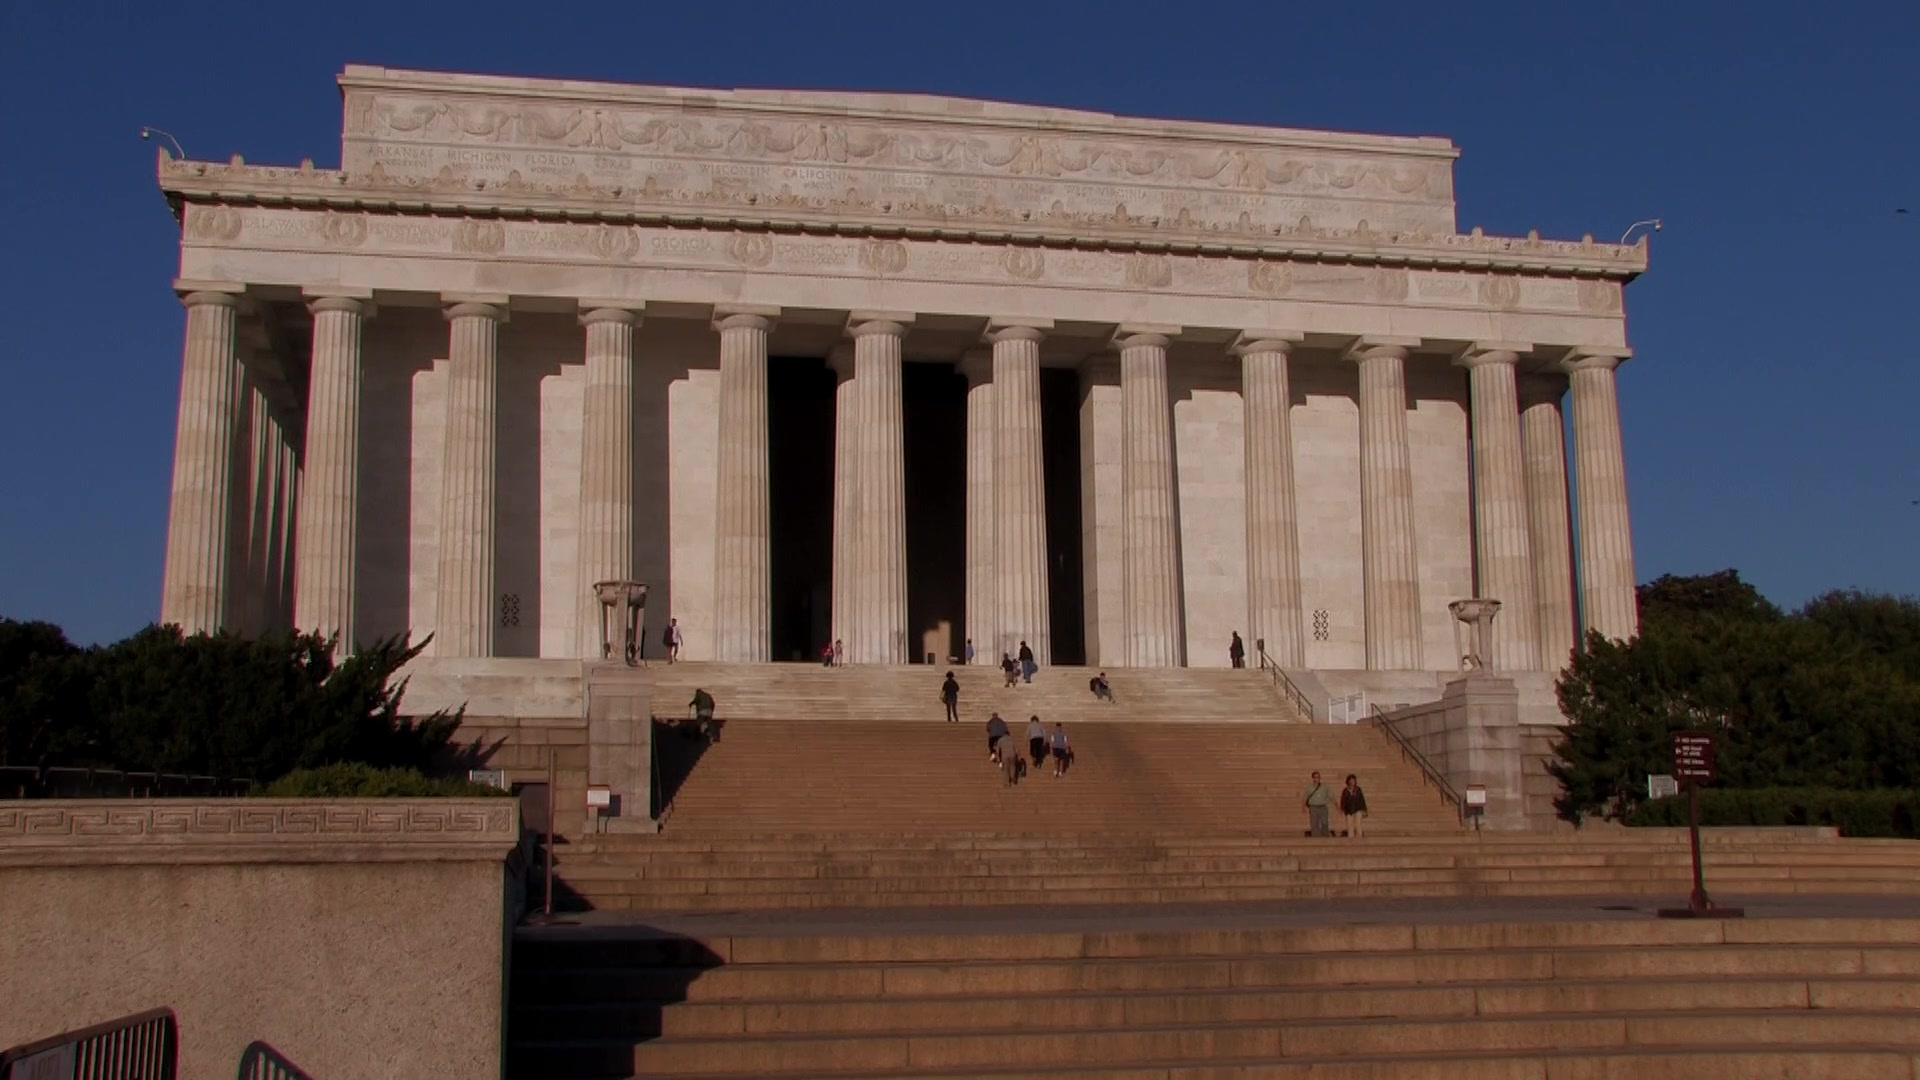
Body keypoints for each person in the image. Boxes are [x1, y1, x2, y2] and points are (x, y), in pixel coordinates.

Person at [1302, 770, 1333, 837]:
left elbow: (1331, 796)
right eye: (1315, 777)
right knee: (1314, 823)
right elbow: (1305, 797)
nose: (1317, 779)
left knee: (1325, 823)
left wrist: (1336, 805)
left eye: (1318, 777)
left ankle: (1325, 837)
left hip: (1323, 807)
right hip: (1313, 807)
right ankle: (1316, 839)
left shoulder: (1325, 787)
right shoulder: (1309, 787)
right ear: (1313, 778)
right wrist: (1303, 807)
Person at [1340, 774, 1369, 839]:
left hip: (1357, 809)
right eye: (1350, 780)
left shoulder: (1358, 789)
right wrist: (1342, 808)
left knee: (1358, 824)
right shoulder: (1345, 790)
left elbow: (1362, 799)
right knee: (1349, 825)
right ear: (1348, 781)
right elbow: (1343, 800)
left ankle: (1359, 838)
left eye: (1353, 780)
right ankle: (1351, 838)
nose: (1352, 782)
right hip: (1348, 810)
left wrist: (1364, 810)